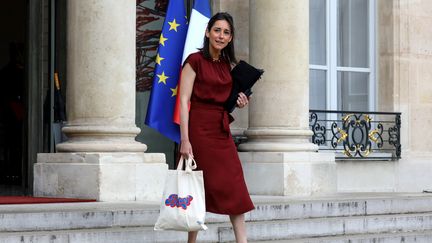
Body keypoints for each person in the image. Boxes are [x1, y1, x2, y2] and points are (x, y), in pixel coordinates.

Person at [179, 12, 254, 243]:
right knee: (198, 187)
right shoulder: (194, 61)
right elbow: (183, 100)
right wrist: (185, 140)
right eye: (217, 30)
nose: (221, 36)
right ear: (207, 32)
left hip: (221, 130)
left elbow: (227, 101)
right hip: (199, 130)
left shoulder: (227, 66)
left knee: (234, 184)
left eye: (226, 32)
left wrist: (240, 102)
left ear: (230, 38)